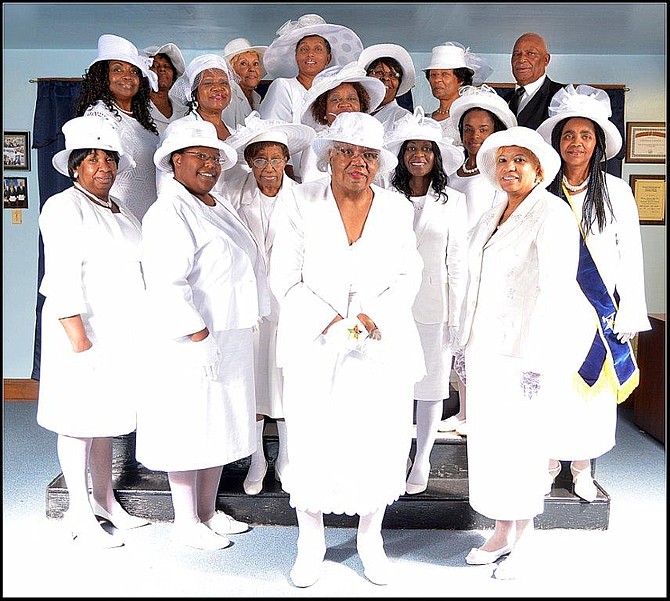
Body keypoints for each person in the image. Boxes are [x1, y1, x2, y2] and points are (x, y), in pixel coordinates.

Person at [269, 112, 425, 587]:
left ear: (378, 163)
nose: (358, 163)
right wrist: (335, 323)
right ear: (329, 157)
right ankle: (310, 541)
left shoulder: (397, 208)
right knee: (313, 439)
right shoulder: (297, 201)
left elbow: (408, 273)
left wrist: (369, 318)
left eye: (368, 155)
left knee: (378, 439)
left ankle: (369, 539)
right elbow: (284, 277)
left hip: (379, 341)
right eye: (347, 153)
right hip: (314, 341)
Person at [136, 119, 269, 550]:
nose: (209, 164)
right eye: (199, 156)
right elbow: (166, 282)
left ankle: (208, 511)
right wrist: (198, 335)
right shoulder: (168, 210)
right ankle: (185, 519)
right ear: (176, 161)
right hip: (192, 337)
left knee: (219, 422)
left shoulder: (215, 202)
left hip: (228, 332)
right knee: (188, 423)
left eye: (214, 157)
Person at [457, 126, 582, 579]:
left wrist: (539, 355)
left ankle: (525, 538)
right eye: (503, 160)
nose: (509, 168)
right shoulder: (493, 213)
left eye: (520, 161)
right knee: (491, 442)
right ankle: (500, 528)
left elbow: (556, 289)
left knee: (525, 442)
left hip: (525, 350)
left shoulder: (551, 213)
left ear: (539, 169)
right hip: (485, 346)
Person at [36, 115, 150, 548]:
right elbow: (62, 275)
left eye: (109, 158)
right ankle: (79, 512)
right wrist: (78, 337)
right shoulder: (64, 206)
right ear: (75, 166)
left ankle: (104, 499)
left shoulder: (122, 211)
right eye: (92, 159)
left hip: (119, 331)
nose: (103, 166)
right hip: (82, 332)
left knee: (105, 420)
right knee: (78, 420)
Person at [537, 84, 651, 501]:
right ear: (558, 141)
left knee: (591, 392)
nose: (576, 143)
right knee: (552, 387)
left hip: (597, 312)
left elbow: (631, 256)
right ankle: (548, 463)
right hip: (552, 309)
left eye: (586, 136)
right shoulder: (541, 191)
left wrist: (629, 312)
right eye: (569, 135)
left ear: (598, 143)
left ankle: (582, 469)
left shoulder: (616, 192)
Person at [223, 112, 315, 495]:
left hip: (290, 303)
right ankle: (258, 458)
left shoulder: (305, 198)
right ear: (250, 162)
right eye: (260, 159)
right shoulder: (233, 196)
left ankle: (288, 458)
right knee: (255, 382)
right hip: (250, 302)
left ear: (287, 161)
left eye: (277, 159)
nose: (270, 167)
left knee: (288, 380)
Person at [385, 108, 467, 494]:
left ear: (436, 157)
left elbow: (457, 262)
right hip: (391, 309)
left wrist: (457, 316)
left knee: (432, 386)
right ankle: (397, 453)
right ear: (401, 155)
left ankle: (422, 459)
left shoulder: (453, 202)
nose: (418, 155)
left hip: (436, 307)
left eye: (426, 149)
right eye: (411, 148)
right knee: (397, 384)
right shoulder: (384, 197)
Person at [437, 84, 517, 436]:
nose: (474, 136)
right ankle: (466, 411)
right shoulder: (455, 170)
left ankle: (486, 413)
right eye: (468, 129)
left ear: (496, 132)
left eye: (483, 129)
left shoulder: (501, 174)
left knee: (485, 339)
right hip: (455, 265)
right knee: (460, 339)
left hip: (487, 267)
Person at [259, 13, 363, 180]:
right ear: (296, 56)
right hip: (291, 176)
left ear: (328, 58)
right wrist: (287, 178)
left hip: (330, 175)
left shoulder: (333, 93)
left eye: (318, 49)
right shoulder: (283, 86)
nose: (310, 55)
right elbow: (273, 133)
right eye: (304, 49)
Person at [76, 34, 159, 221]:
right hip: (117, 215)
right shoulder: (99, 114)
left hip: (149, 214)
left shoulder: (142, 121)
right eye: (117, 69)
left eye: (134, 71)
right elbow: (92, 170)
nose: (127, 76)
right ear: (103, 77)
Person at [167, 54, 246, 189]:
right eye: (208, 83)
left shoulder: (237, 134)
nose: (218, 88)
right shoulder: (180, 130)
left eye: (224, 83)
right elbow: (167, 183)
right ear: (194, 92)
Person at [297, 62, 385, 183]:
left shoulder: (373, 137)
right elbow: (313, 187)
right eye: (335, 99)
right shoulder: (318, 143)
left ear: (361, 106)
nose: (344, 104)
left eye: (352, 98)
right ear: (324, 110)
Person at [423, 42, 492, 138]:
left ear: (461, 79)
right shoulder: (424, 119)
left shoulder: (470, 116)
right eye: (433, 75)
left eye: (445, 74)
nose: (437, 80)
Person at [506, 32, 565, 130]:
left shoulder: (562, 96)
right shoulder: (503, 101)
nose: (521, 59)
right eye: (516, 54)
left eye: (530, 53)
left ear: (546, 60)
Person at [357, 43, 415, 133]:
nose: (386, 78)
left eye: (393, 75)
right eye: (379, 72)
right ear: (366, 77)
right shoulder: (355, 109)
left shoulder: (403, 117)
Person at [221, 37, 268, 128]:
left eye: (255, 63)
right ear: (232, 70)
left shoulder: (256, 96)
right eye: (243, 64)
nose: (252, 69)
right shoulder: (228, 96)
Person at [142, 42, 187, 135]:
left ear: (174, 76)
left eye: (167, 66)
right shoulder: (135, 106)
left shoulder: (184, 109)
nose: (162, 69)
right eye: (154, 65)